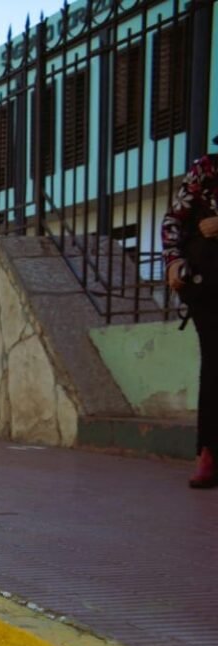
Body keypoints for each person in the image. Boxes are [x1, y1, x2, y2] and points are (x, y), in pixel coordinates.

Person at [163, 141, 218, 489]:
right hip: (208, 282)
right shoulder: (206, 169)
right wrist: (173, 261)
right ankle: (209, 452)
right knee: (214, 362)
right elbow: (174, 219)